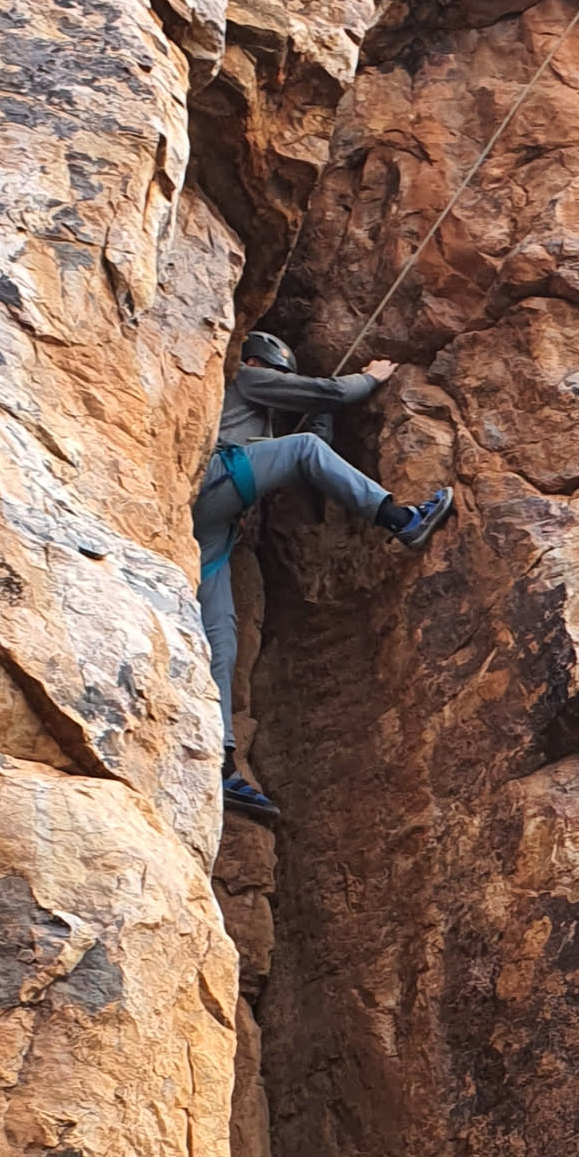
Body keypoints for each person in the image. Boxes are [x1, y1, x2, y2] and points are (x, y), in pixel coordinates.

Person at [194, 329, 454, 825]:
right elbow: (328, 397)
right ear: (257, 362)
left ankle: (221, 765)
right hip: (214, 481)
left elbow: (313, 445)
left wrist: (320, 418)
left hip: (211, 524)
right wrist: (370, 378)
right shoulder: (245, 377)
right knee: (304, 449)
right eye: (276, 374)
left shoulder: (258, 420)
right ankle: (400, 519)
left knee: (221, 634)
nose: (277, 383)